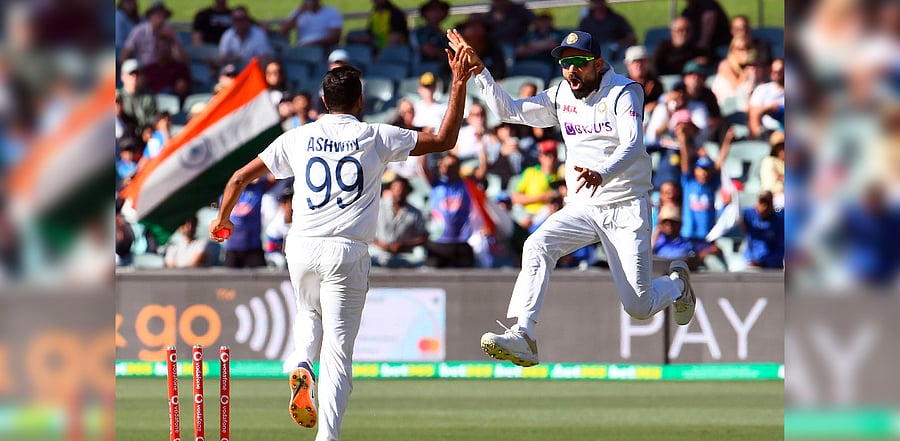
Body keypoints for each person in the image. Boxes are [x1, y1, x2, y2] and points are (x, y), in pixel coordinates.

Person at [208, 43, 476, 441]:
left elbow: (237, 178)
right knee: (337, 351)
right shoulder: (376, 136)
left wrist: (222, 219)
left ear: (322, 100)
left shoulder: (298, 137)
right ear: (360, 100)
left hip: (301, 245)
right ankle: (327, 436)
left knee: (307, 313)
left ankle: (302, 362)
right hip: (346, 251)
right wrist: (458, 83)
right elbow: (444, 139)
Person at [448, 29, 696, 367]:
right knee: (536, 245)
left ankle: (678, 286)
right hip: (584, 206)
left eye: (579, 62)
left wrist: (602, 173)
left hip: (626, 205)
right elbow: (510, 111)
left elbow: (633, 144)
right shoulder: (561, 95)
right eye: (566, 63)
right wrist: (481, 71)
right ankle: (524, 334)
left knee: (638, 306)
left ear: (598, 63)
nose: (571, 70)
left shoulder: (625, 91)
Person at [371, 176, 429, 267]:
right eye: (396, 189)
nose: (400, 192)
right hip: (379, 252)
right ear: (391, 190)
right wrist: (382, 245)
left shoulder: (415, 212)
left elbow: (424, 236)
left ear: (408, 191)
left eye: (403, 189)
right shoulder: (378, 207)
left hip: (405, 255)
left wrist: (405, 245)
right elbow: (366, 231)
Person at [121, 1, 186, 67]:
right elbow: (125, 53)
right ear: (150, 17)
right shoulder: (139, 31)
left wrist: (174, 40)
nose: (161, 20)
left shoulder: (170, 33)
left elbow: (182, 60)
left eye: (164, 17)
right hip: (144, 69)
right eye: (158, 16)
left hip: (164, 69)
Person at [740, 191, 784, 269]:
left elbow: (781, 249)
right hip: (751, 263)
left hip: (771, 267)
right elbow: (732, 216)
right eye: (762, 202)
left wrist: (764, 263)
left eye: (767, 203)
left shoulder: (779, 221)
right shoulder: (748, 214)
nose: (764, 207)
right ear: (757, 203)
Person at [279, 0, 343, 49]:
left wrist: (314, 43)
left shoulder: (331, 12)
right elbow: (282, 32)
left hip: (324, 48)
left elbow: (335, 37)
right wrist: (299, 12)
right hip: (302, 48)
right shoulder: (298, 12)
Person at [748, 58, 784, 140]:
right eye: (774, 71)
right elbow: (753, 113)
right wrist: (769, 108)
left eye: (780, 71)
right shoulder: (762, 89)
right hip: (767, 133)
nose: (777, 74)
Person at [623, 45, 662, 117]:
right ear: (628, 65)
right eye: (635, 62)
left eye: (642, 61)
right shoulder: (622, 86)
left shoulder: (655, 83)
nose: (639, 65)